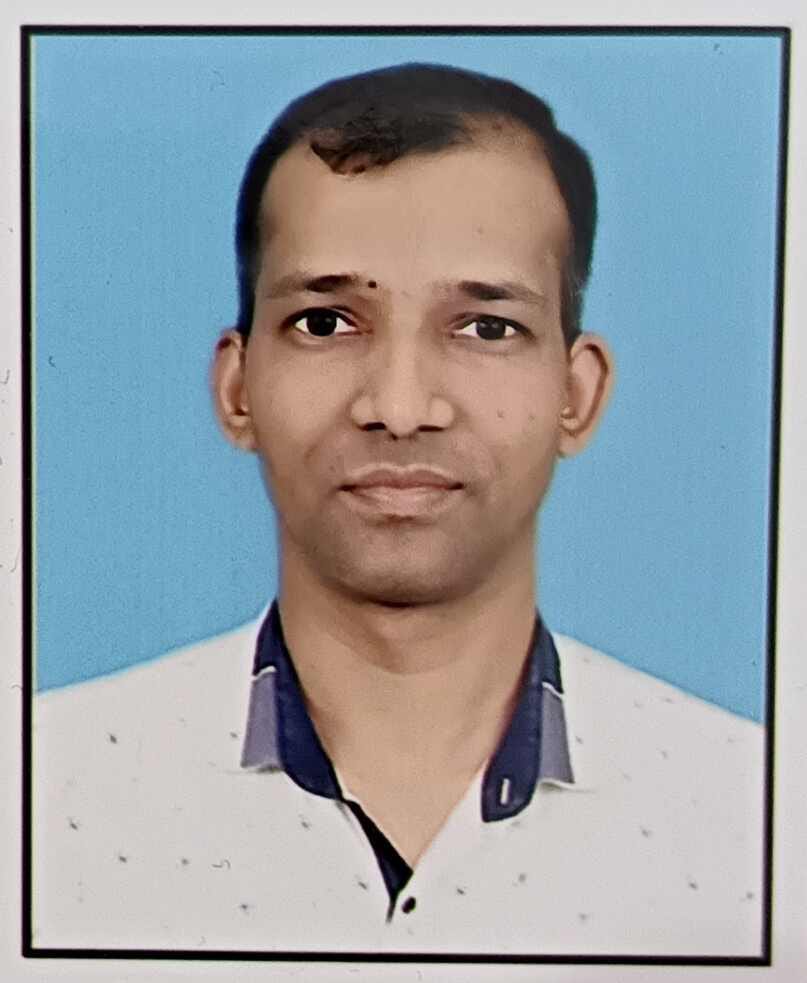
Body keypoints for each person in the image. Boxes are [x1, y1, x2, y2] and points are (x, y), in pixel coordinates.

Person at [33, 63, 764, 956]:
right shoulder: (41, 790)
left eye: (486, 327)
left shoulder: (754, 815)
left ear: (576, 395)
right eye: (326, 322)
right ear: (236, 388)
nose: (402, 405)